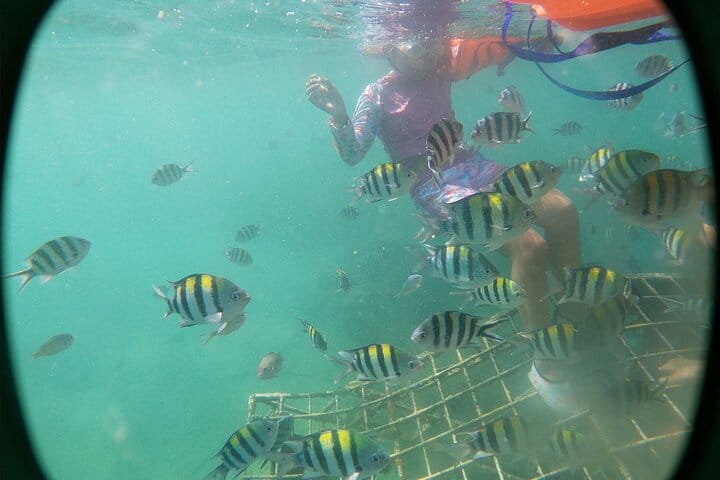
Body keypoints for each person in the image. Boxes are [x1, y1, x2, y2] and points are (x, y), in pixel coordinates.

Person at [306, 34, 581, 332]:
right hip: (432, 185)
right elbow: (353, 154)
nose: (426, 53)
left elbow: (490, 49)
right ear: (391, 49)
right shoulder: (376, 94)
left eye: (431, 44)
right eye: (417, 47)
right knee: (529, 247)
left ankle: (576, 313)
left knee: (562, 211)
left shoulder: (441, 66)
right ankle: (547, 352)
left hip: (473, 164)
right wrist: (338, 114)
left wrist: (534, 41)